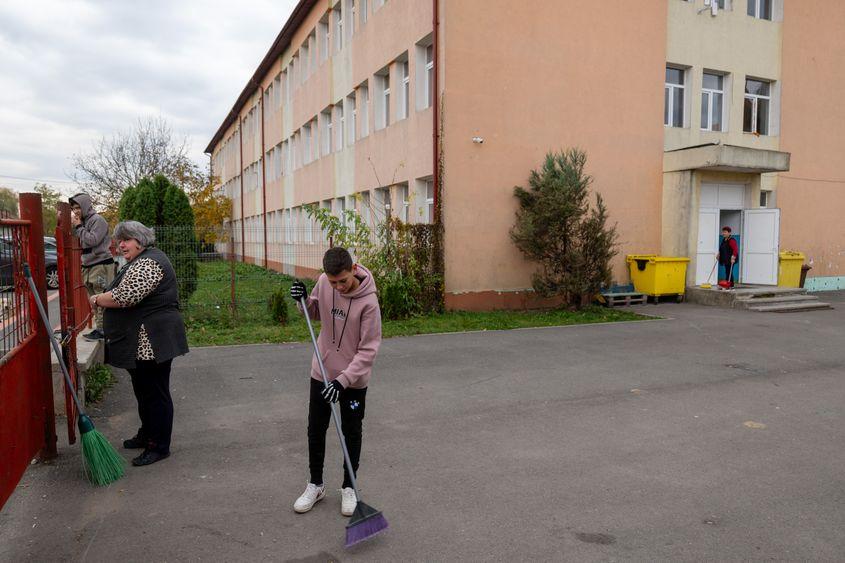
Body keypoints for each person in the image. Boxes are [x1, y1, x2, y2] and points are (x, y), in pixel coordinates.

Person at [289, 247, 382, 517]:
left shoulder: (369, 303)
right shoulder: (324, 282)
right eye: (333, 282)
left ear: (353, 270)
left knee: (351, 431)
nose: (338, 287)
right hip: (323, 372)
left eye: (342, 281)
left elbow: (368, 351)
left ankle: (348, 487)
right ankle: (315, 484)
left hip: (352, 381)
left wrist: (343, 382)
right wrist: (303, 301)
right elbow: (314, 312)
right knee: (315, 429)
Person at [89, 221, 189, 466]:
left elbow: (126, 296)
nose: (121, 244)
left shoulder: (149, 262)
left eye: (127, 239)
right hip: (144, 341)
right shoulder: (140, 260)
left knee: (155, 394)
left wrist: (97, 299)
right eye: (119, 240)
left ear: (141, 240)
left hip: (154, 340)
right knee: (144, 391)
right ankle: (148, 434)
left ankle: (159, 445)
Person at [70, 193, 114, 341]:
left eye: (78, 207)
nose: (76, 211)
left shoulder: (97, 220)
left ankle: (104, 330)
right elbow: (77, 238)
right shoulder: (82, 222)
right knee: (92, 299)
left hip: (100, 263)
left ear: (85, 206)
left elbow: (92, 240)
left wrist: (79, 227)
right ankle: (100, 328)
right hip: (88, 264)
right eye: (73, 208)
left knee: (101, 296)